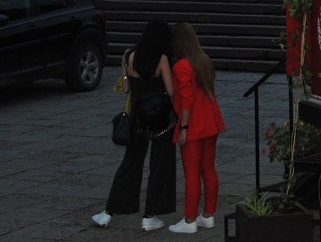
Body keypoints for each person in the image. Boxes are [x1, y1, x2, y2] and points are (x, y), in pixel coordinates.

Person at [93, 20, 176, 231]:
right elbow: (171, 91)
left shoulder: (128, 55)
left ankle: (108, 212)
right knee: (160, 164)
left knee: (130, 162)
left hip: (136, 117)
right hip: (159, 118)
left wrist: (128, 76)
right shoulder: (162, 59)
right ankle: (150, 215)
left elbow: (126, 88)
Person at [168, 22, 226, 234]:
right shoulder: (204, 61)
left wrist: (183, 127)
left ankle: (190, 219)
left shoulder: (181, 65)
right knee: (208, 168)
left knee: (191, 172)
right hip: (210, 121)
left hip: (194, 123)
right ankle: (208, 215)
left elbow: (186, 99)